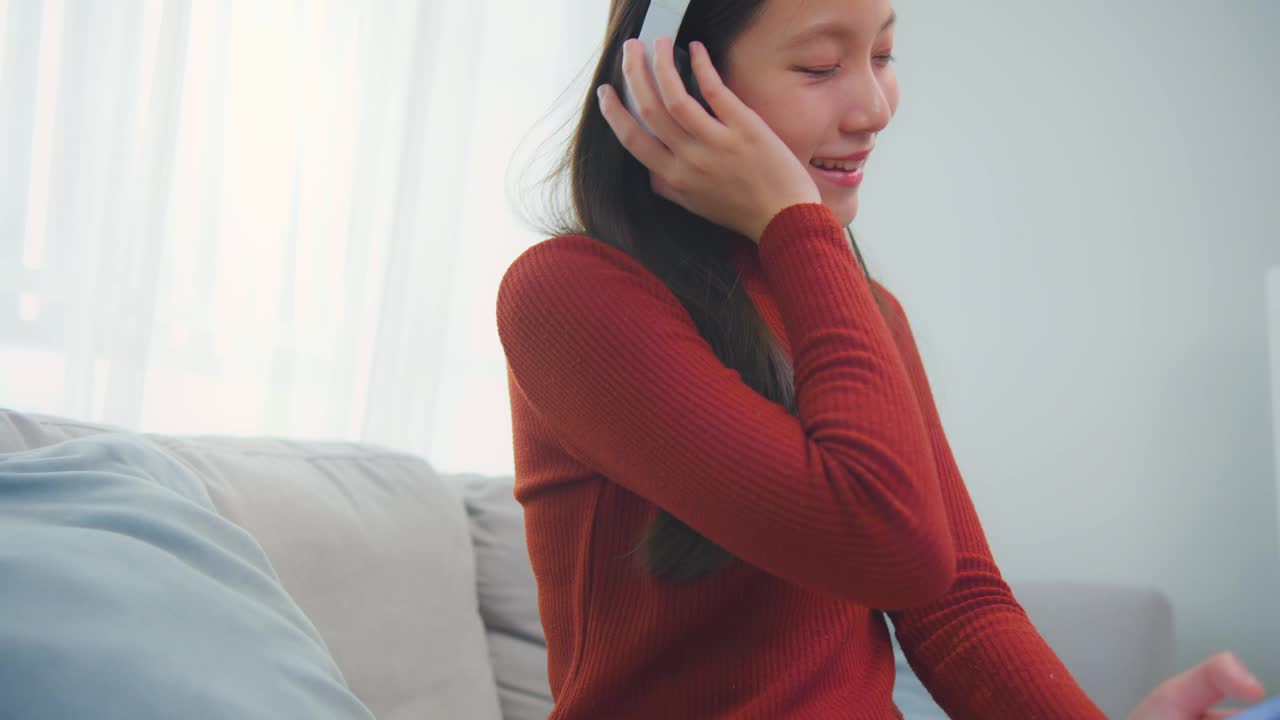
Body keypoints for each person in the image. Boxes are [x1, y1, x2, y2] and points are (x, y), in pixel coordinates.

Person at [495, 1, 1269, 717]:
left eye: (884, 55)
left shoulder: (852, 307)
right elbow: (889, 542)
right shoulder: (570, 294)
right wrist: (797, 221)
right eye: (820, 67)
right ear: (670, 81)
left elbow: (958, 604)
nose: (874, 109)